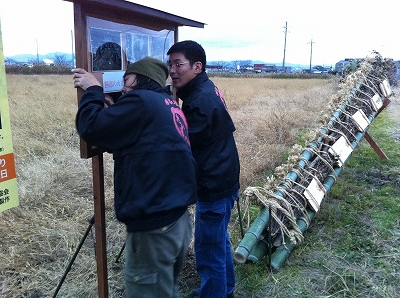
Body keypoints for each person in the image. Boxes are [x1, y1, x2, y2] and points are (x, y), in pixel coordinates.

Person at [73, 57, 197, 298]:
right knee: (166, 289)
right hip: (177, 220)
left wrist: (94, 89)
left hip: (155, 228)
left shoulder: (140, 101)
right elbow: (141, 140)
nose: (122, 86)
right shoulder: (165, 102)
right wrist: (117, 110)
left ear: (141, 79)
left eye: (127, 79)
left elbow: (91, 127)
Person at [167, 41, 240, 298]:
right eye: (170, 64)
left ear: (197, 66)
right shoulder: (205, 88)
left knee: (208, 252)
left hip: (214, 183)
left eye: (178, 64)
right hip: (224, 176)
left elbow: (185, 146)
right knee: (219, 242)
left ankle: (215, 293)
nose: (173, 70)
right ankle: (224, 289)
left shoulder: (198, 100)